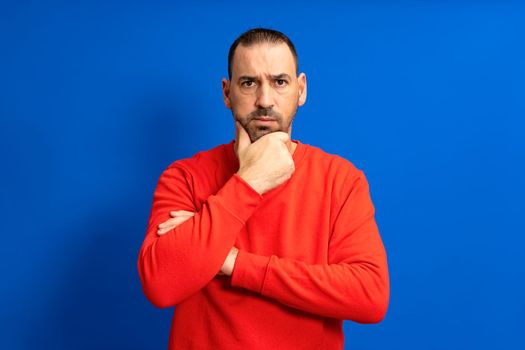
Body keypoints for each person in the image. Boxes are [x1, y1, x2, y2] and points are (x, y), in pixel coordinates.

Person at [137, 27, 389, 350]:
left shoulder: (341, 180)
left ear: (301, 90)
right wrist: (251, 181)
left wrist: (232, 263)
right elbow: (161, 284)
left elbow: (370, 295)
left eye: (279, 82)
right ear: (227, 93)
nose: (264, 100)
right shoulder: (184, 177)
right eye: (249, 83)